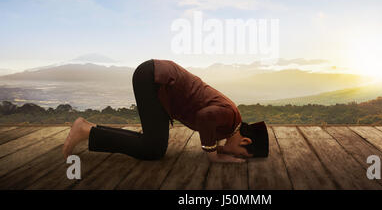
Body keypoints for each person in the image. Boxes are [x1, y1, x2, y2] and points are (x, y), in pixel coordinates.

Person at [62, 59, 269, 163]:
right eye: (242, 154)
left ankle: (88, 129)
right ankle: (87, 131)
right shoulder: (231, 116)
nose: (238, 157)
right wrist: (213, 156)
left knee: (153, 145)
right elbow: (204, 117)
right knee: (153, 148)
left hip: (157, 79)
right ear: (245, 141)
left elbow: (209, 122)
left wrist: (221, 149)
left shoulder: (230, 123)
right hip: (155, 79)